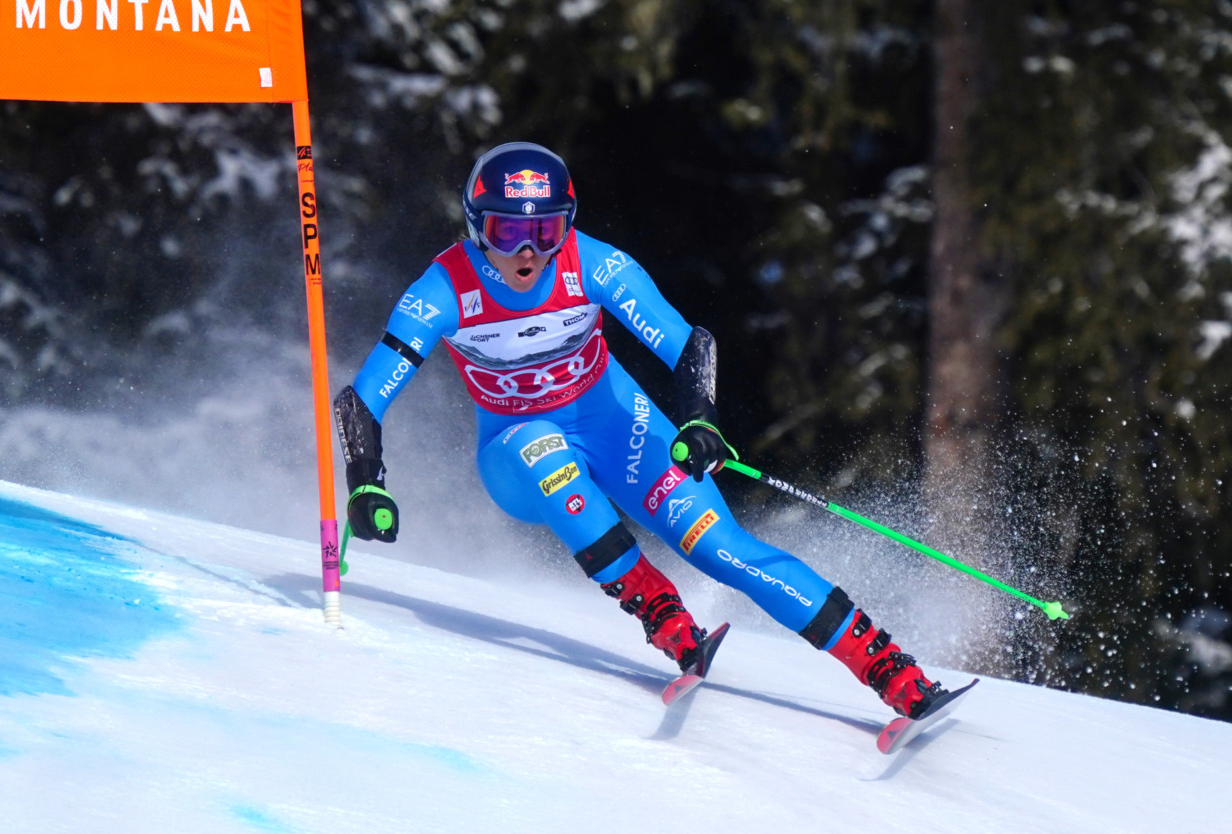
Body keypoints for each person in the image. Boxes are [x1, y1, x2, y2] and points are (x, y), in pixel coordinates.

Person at [333, 141, 947, 719]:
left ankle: (891, 672)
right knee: (545, 451)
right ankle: (662, 613)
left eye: (546, 231)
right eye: (508, 231)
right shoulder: (442, 289)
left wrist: (700, 418)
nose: (528, 252)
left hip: (614, 426)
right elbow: (362, 399)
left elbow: (688, 343)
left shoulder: (593, 263)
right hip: (514, 453)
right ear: (475, 226)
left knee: (719, 547)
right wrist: (366, 481)